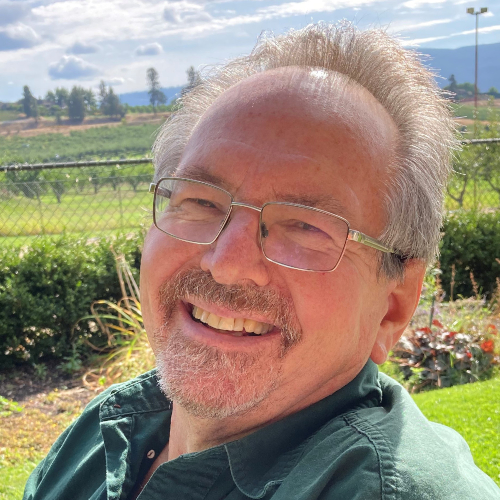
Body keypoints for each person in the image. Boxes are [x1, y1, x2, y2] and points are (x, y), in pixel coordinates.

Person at [24, 22, 500, 500]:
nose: (227, 264)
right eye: (201, 200)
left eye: (307, 226)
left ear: (394, 304)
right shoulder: (103, 433)